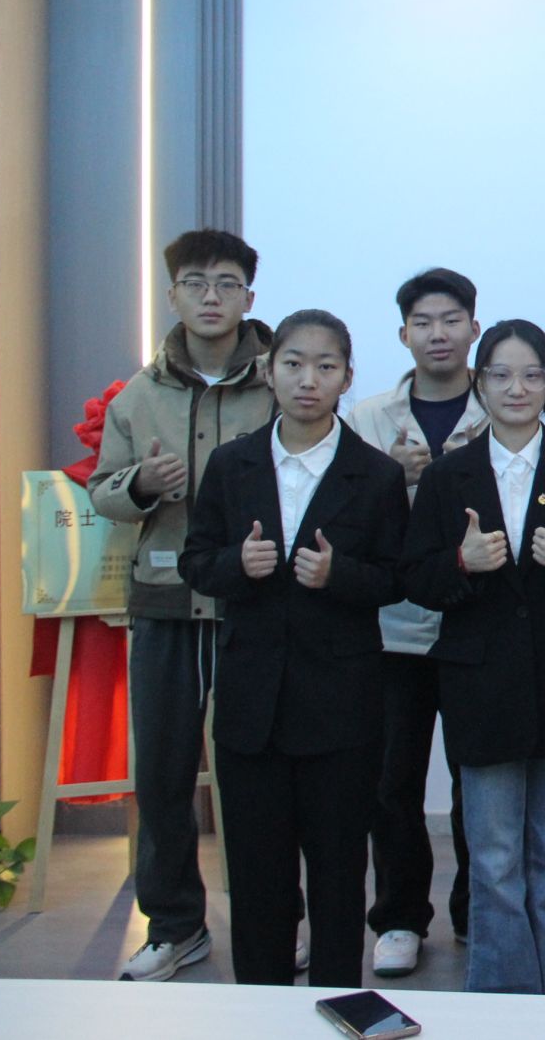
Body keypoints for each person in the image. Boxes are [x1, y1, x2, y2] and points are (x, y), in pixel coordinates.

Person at [179, 310, 409, 986]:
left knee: (338, 874)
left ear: (346, 376)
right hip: (252, 708)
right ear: (269, 370)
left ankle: (337, 1004)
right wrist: (235, 564)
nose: (309, 380)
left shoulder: (376, 473)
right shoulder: (232, 463)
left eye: (326, 366)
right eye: (294, 364)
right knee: (257, 879)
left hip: (341, 710)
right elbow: (196, 560)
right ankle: (261, 1013)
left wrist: (340, 575)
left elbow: (397, 578)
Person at [402, 319, 545, 995]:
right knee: (494, 858)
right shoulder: (449, 476)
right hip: (482, 685)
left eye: (532, 375)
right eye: (500, 374)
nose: (517, 388)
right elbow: (415, 576)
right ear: (480, 382)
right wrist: (460, 563)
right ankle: (499, 994)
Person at [90, 228, 274, 982]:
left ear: (248, 297)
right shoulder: (139, 394)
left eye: (226, 283)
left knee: (262, 774)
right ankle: (174, 926)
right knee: (163, 772)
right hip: (165, 605)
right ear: (172, 296)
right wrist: (139, 484)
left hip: (254, 605)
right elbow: (103, 490)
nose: (210, 296)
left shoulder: (280, 381)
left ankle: (274, 920)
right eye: (195, 283)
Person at [345, 267, 488, 976]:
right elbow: (343, 521)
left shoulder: (503, 408)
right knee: (391, 782)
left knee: (477, 781)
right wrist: (392, 480)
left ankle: (475, 911)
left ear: (474, 329)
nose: (439, 333)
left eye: (451, 319)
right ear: (403, 334)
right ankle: (400, 916)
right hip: (392, 630)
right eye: (423, 322)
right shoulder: (366, 420)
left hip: (474, 625)